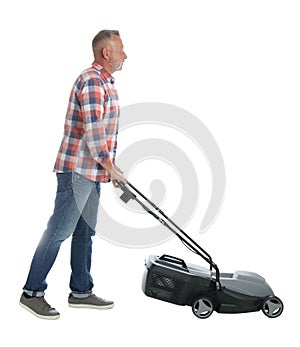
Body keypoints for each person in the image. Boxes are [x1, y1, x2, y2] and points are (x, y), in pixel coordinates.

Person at [20, 30, 127, 320]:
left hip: (92, 173)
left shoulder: (105, 82)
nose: (125, 55)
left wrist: (109, 171)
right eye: (121, 49)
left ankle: (81, 291)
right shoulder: (92, 81)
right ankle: (32, 292)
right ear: (106, 53)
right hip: (78, 171)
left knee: (84, 233)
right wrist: (113, 168)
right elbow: (94, 135)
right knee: (59, 231)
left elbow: (102, 133)